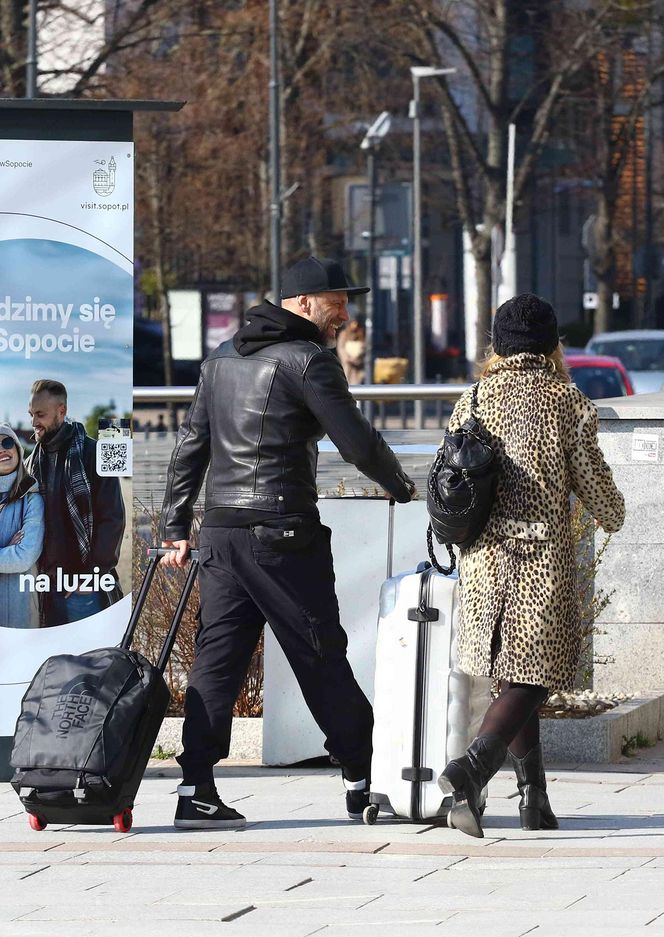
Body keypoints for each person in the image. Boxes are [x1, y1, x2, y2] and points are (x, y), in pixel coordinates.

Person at [160, 255, 415, 830]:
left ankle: (195, 788)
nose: (345, 313)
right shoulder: (309, 361)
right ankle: (363, 782)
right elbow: (357, 443)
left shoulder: (222, 358)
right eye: (337, 301)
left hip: (221, 536)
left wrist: (178, 526)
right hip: (282, 535)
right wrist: (401, 486)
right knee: (319, 655)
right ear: (302, 303)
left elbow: (190, 446)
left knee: (216, 663)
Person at [437, 293, 625, 838]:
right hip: (539, 558)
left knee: (512, 676)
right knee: (536, 677)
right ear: (553, 345)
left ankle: (532, 799)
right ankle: (471, 769)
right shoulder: (567, 402)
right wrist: (615, 513)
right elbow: (593, 483)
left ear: (496, 346)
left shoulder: (471, 398)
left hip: (483, 559)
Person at [27, 380, 125, 626]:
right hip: (43, 587)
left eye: (40, 414)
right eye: (31, 414)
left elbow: (113, 519)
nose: (33, 422)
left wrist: (92, 576)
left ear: (61, 411)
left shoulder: (99, 451)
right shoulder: (31, 462)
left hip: (84, 589)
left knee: (90, 661)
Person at [0, 424, 45, 628]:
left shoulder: (31, 498)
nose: (2, 449)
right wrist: (7, 550)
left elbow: (25, 556)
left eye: (7, 442)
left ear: (17, 449)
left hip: (19, 608)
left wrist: (12, 552)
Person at [336, 318, 366, 385]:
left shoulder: (361, 334)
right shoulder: (344, 334)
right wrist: (347, 358)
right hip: (347, 366)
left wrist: (357, 360)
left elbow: (364, 348)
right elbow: (340, 348)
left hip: (358, 369)